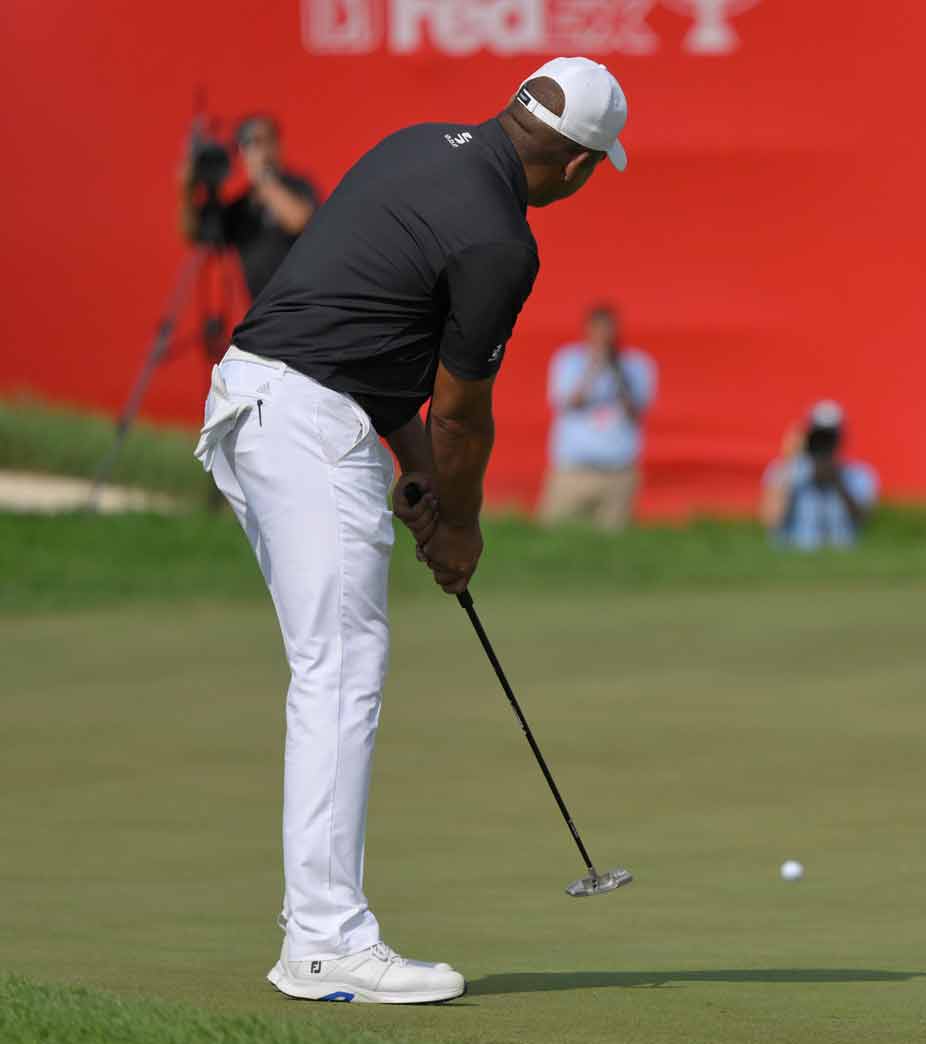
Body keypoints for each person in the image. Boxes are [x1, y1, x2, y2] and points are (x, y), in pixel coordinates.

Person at [191, 58, 629, 1004]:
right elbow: (463, 412)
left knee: (332, 662)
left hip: (256, 399)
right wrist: (460, 527)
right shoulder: (503, 242)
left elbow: (374, 341)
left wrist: (419, 474)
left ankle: (320, 933)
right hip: (307, 423)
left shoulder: (415, 147)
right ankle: (324, 942)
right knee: (342, 669)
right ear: (577, 165)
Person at [540, 303, 657, 529]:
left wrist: (617, 372)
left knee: (611, 548)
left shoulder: (636, 364)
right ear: (587, 330)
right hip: (573, 470)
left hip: (618, 471)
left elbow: (637, 412)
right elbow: (570, 402)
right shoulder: (568, 361)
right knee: (555, 536)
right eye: (598, 329)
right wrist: (594, 367)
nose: (604, 335)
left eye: (609, 329)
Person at [178, 114, 320, 300]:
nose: (258, 150)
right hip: (262, 310)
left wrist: (262, 177)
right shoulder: (242, 207)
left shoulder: (298, 186)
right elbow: (195, 233)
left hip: (302, 303)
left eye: (262, 141)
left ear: (277, 144)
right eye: (249, 143)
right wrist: (188, 189)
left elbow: (300, 221)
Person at [760, 401, 879, 550]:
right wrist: (790, 461)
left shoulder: (857, 474)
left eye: (829, 437)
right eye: (819, 436)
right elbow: (772, 520)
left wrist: (838, 483)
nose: (824, 443)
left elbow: (864, 519)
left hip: (842, 555)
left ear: (841, 438)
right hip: (796, 554)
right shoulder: (784, 470)